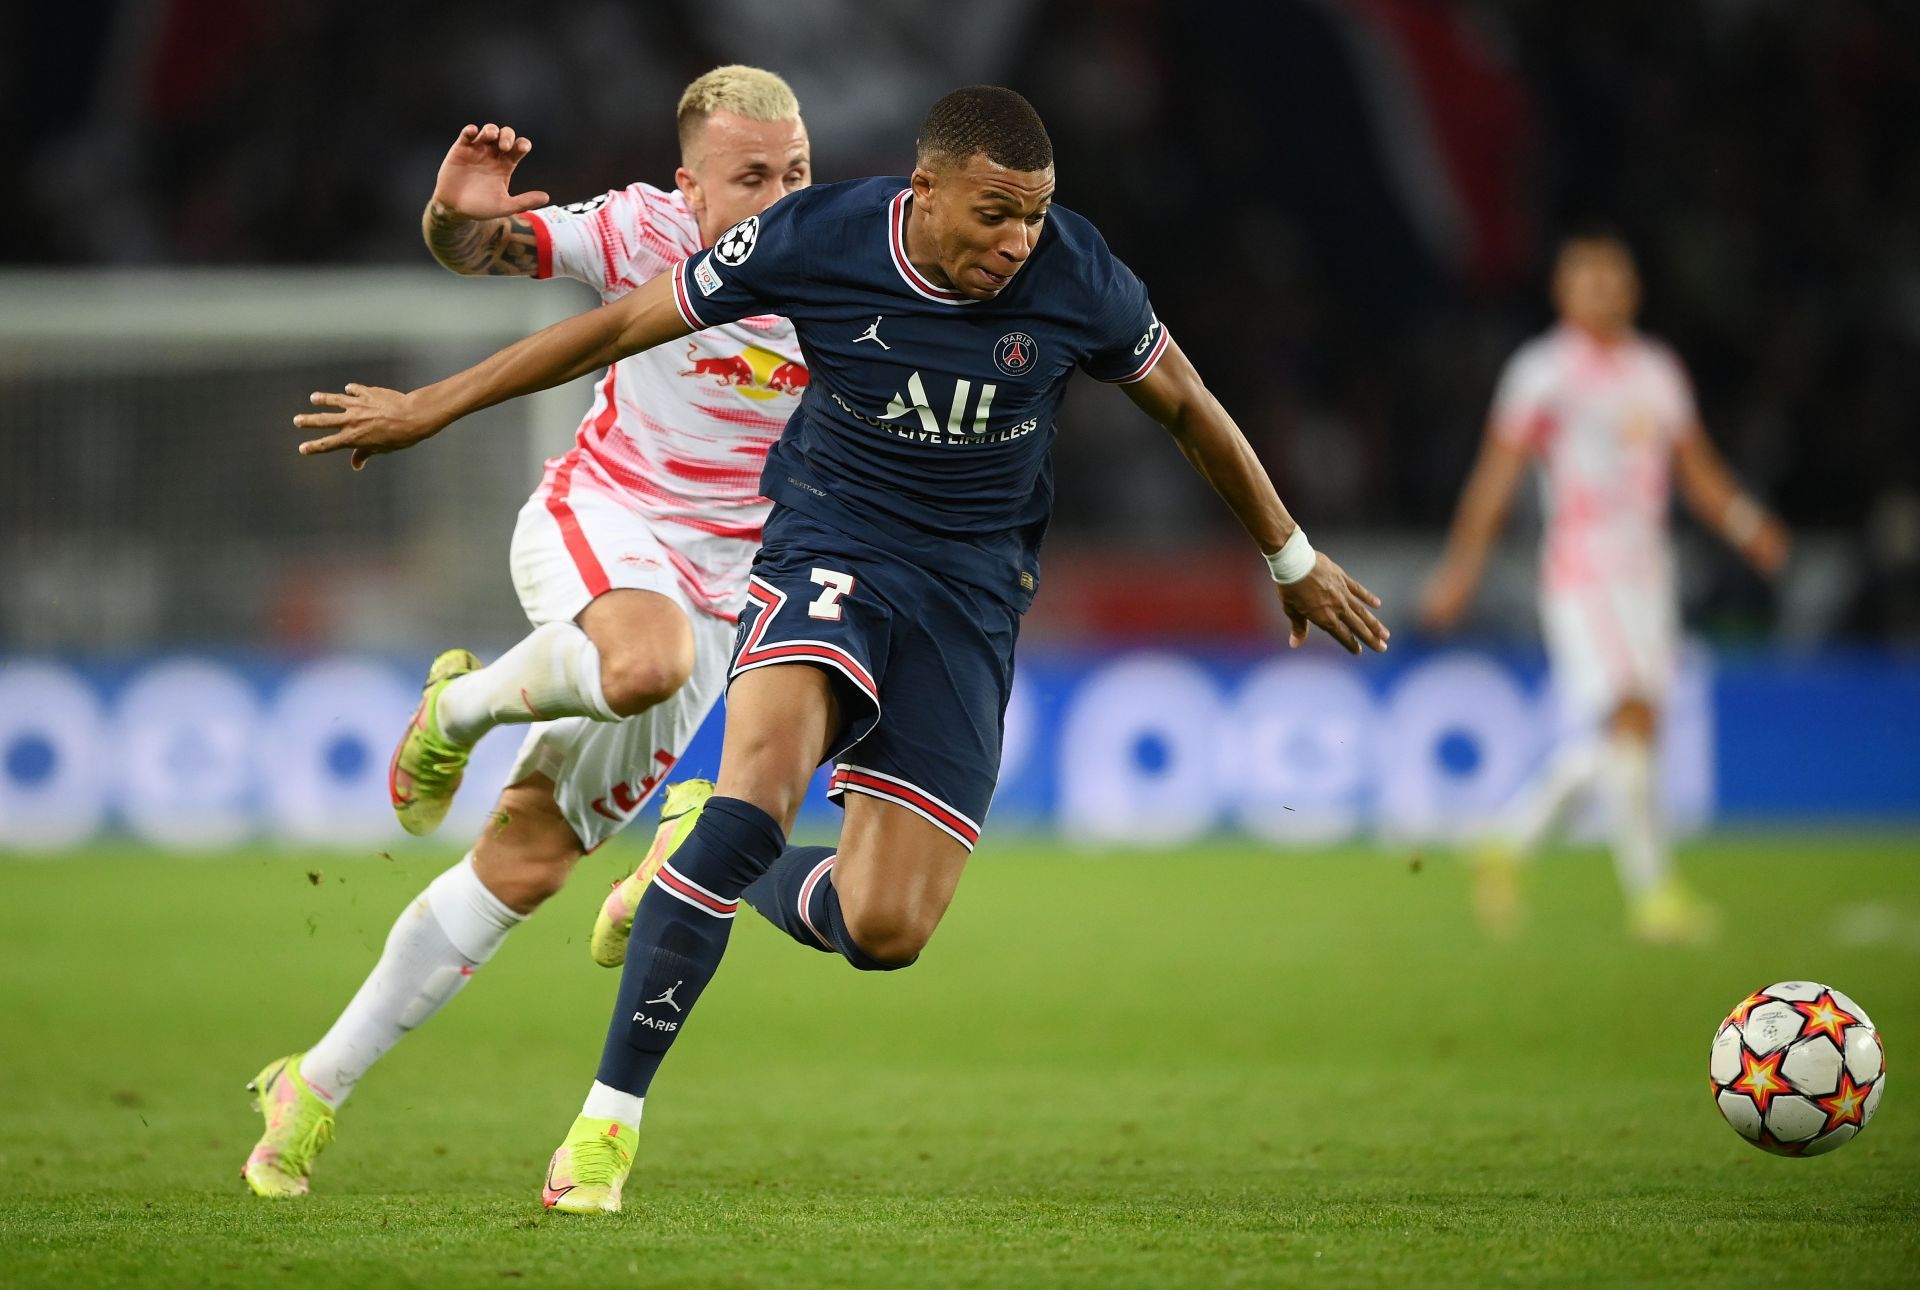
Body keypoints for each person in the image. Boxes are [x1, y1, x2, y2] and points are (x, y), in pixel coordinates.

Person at [291, 85, 1391, 1214]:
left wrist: (1291, 556)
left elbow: (1188, 402)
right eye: (996, 215)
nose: (1018, 242)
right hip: (824, 548)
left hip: (967, 597)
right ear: (925, 193)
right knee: (745, 786)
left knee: (886, 928)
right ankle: (603, 1132)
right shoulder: (810, 242)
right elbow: (612, 319)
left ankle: (681, 845)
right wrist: (431, 406)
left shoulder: (1077, 272)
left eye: (1036, 215)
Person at [242, 65, 814, 1199]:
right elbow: (486, 250)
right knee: (642, 660)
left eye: (796, 172)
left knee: (528, 860)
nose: (782, 196)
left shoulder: (842, 270)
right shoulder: (639, 230)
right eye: (752, 177)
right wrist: (457, 213)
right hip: (598, 521)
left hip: (718, 592)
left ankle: (310, 1086)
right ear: (688, 185)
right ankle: (455, 708)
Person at [1420, 230, 1789, 943]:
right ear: (1562, 292)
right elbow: (1497, 475)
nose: (1603, 290)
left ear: (1635, 288)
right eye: (1587, 278)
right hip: (1583, 571)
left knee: (1637, 727)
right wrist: (1459, 570)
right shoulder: (1543, 372)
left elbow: (1696, 466)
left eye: (1613, 277)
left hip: (1648, 572)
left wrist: (1746, 524)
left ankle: (1507, 839)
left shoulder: (1657, 371)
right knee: (1631, 721)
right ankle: (1654, 897)